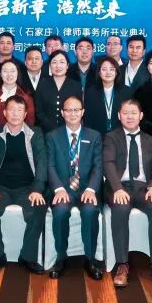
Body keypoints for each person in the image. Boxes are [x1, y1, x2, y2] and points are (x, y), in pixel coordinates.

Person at [103, 100, 152, 288]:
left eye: (133, 113)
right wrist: (117, 188)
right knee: (120, 209)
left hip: (144, 188)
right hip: (119, 186)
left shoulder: (151, 141)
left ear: (141, 116)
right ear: (119, 116)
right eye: (125, 113)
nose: (130, 117)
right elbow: (108, 164)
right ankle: (122, 264)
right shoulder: (111, 137)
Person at [0, 96, 48, 275]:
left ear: (25, 114)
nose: (15, 114)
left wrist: (37, 189)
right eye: (11, 109)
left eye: (19, 110)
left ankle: (28, 256)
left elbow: (42, 163)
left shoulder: (35, 133)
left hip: (28, 188)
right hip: (1, 188)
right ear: (4, 113)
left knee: (39, 207)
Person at [45, 96, 105, 280]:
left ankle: (90, 259)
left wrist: (91, 189)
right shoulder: (52, 136)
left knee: (90, 211)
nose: (72, 114)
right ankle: (60, 257)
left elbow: (98, 166)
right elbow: (50, 166)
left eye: (76, 110)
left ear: (82, 112)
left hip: (87, 189)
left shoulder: (94, 136)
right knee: (60, 211)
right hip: (63, 189)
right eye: (68, 110)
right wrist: (58, 189)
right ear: (62, 113)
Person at [34, 50, 83, 133]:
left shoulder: (76, 85)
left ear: (67, 66)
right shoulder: (42, 84)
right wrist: (50, 128)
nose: (58, 66)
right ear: (50, 66)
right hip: (46, 131)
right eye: (54, 62)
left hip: (69, 131)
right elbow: (39, 111)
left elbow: (78, 109)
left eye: (62, 62)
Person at [83, 57, 132, 136]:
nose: (108, 72)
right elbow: (87, 118)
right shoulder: (90, 92)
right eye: (104, 69)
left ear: (116, 72)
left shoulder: (126, 91)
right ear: (99, 72)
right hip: (96, 135)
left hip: (121, 135)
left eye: (111, 69)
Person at [0, 60, 36, 131]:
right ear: (0, 74)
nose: (9, 74)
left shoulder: (26, 96)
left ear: (17, 73)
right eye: (5, 71)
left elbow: (30, 120)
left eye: (12, 71)